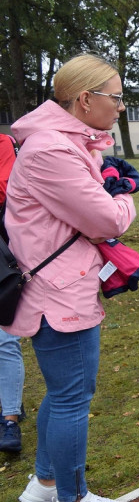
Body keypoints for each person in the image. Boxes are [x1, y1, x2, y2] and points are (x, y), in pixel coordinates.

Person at [7, 54, 137, 502]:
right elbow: (104, 220)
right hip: (59, 292)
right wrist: (123, 197)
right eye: (116, 97)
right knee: (70, 398)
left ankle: (45, 484)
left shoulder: (56, 144)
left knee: (63, 393)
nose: (121, 107)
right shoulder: (52, 150)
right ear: (85, 100)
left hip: (59, 286)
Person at [0, 132, 26, 454]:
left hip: (2, 250)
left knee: (4, 338)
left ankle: (9, 418)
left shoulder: (3, 143)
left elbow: (6, 190)